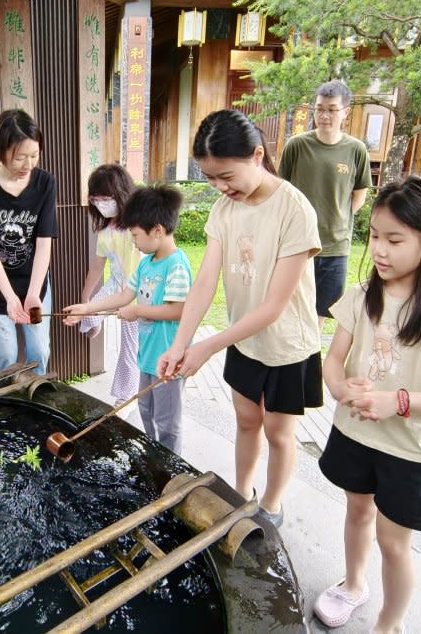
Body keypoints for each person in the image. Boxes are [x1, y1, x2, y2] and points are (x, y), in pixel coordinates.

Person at [315, 176, 421, 633]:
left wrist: (400, 400)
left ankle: (389, 625)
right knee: (356, 511)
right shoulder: (359, 298)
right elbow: (331, 362)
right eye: (374, 236)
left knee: (393, 544)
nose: (380, 250)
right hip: (355, 434)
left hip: (408, 450)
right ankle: (353, 585)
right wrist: (337, 387)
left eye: (394, 239)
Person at [158, 109, 323, 528]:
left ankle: (271, 504)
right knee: (247, 421)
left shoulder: (294, 209)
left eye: (227, 176)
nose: (219, 187)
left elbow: (274, 306)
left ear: (257, 155)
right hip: (243, 340)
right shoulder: (223, 212)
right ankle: (242, 494)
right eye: (210, 178)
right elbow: (204, 285)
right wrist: (179, 345)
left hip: (287, 346)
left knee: (278, 432)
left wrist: (208, 346)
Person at [65, 185, 191, 452]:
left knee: (168, 423)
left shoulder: (176, 265)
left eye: (135, 235)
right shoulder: (146, 264)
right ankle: (154, 457)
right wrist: (87, 308)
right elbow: (124, 296)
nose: (133, 241)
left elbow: (178, 310)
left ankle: (172, 469)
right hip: (147, 358)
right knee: (146, 411)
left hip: (168, 361)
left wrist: (138, 311)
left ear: (157, 230)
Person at [0, 109, 57, 376]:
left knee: (39, 348)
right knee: (5, 353)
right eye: (20, 158)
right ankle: (2, 402)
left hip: (35, 283)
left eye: (34, 156)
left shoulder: (45, 183)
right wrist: (10, 297)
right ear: (0, 151)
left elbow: (43, 244)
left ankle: (38, 397)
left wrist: (32, 294)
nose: (28, 165)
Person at [278, 79, 372, 329]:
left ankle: (310, 356)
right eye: (319, 108)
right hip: (296, 242)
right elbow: (281, 191)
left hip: (335, 245)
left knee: (321, 310)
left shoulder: (356, 150)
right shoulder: (296, 145)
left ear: (345, 112)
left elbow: (359, 195)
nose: (324, 115)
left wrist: (338, 219)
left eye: (331, 109)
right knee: (289, 303)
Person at [76, 164, 142, 404]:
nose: (100, 204)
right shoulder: (105, 232)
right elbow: (96, 268)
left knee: (130, 347)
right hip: (116, 285)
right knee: (88, 313)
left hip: (139, 292)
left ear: (121, 193)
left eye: (105, 198)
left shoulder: (139, 223)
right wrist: (85, 300)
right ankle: (96, 322)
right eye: (95, 199)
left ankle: (126, 397)